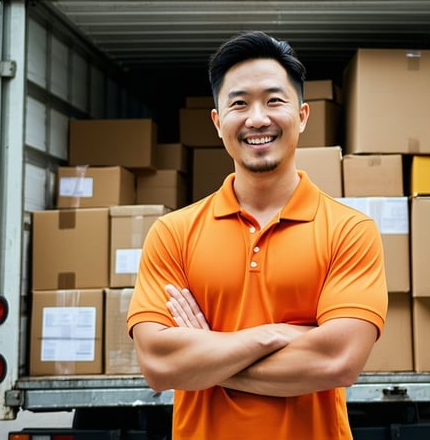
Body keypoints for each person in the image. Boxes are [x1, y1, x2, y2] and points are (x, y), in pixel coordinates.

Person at [126, 30, 388, 438]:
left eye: (274, 100)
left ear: (302, 115)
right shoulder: (172, 233)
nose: (258, 118)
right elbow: (159, 367)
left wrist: (206, 354)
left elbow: (337, 361)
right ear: (218, 122)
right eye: (239, 103)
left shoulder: (349, 231)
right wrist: (276, 334)